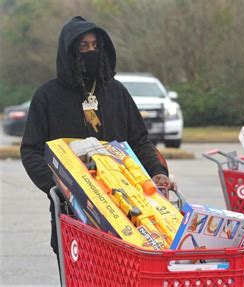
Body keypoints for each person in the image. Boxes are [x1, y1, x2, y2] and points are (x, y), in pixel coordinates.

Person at [20, 16, 175, 273]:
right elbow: (31, 151)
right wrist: (55, 185)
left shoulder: (116, 92)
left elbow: (139, 141)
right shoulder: (47, 96)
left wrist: (158, 172)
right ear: (69, 51)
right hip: (73, 210)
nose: (90, 51)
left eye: (95, 46)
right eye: (82, 47)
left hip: (125, 208)